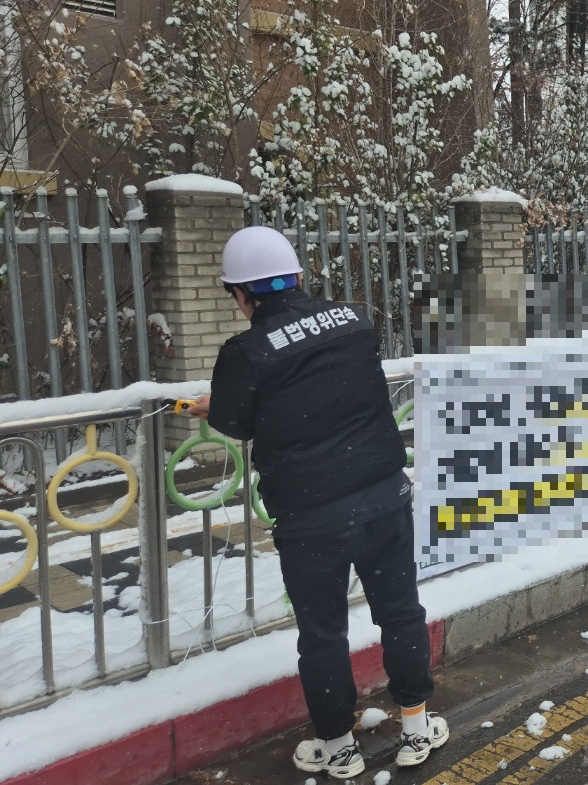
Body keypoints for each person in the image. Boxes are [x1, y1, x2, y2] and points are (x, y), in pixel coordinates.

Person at [186, 226, 447, 779]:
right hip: (383, 496)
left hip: (310, 515)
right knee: (400, 611)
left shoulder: (245, 352)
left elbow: (237, 421)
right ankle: (416, 727)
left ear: (241, 294)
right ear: (298, 277)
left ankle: (338, 747)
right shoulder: (354, 320)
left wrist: (215, 404)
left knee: (323, 633)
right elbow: (336, 386)